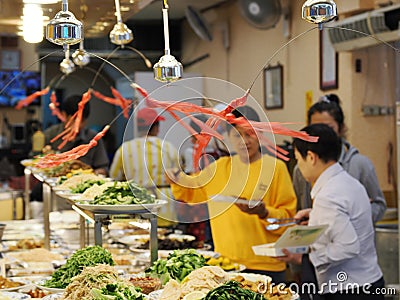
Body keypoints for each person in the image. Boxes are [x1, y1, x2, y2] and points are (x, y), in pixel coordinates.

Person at [166, 106, 297, 283]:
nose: (245, 141)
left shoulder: (276, 168)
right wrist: (176, 178)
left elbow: (288, 218)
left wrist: (264, 212)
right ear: (228, 138)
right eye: (237, 135)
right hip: (226, 266)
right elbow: (191, 193)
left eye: (250, 133)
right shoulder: (220, 167)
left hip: (266, 266)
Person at [280, 123, 384, 300]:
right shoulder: (349, 183)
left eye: (298, 159)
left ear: (311, 157)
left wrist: (304, 258)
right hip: (369, 282)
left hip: (349, 290)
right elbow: (346, 218)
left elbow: (348, 247)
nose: (299, 165)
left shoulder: (328, 196)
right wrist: (315, 216)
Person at [292, 94, 386, 223]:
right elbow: (300, 207)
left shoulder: (359, 164)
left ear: (341, 128)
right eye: (316, 128)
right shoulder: (301, 168)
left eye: (328, 128)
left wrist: (354, 217)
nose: (321, 135)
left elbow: (379, 205)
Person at [29, 95, 110, 216]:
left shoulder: (93, 138)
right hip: (54, 196)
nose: (78, 126)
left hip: (83, 196)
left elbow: (103, 167)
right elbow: (34, 162)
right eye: (74, 120)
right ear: (63, 115)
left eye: (82, 121)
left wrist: (94, 175)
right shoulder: (51, 135)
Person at [109, 107, 179, 227]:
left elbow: (113, 178)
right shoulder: (168, 148)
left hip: (136, 205)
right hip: (164, 206)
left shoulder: (125, 149)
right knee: (166, 242)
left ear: (138, 127)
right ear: (157, 127)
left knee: (136, 240)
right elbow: (178, 178)